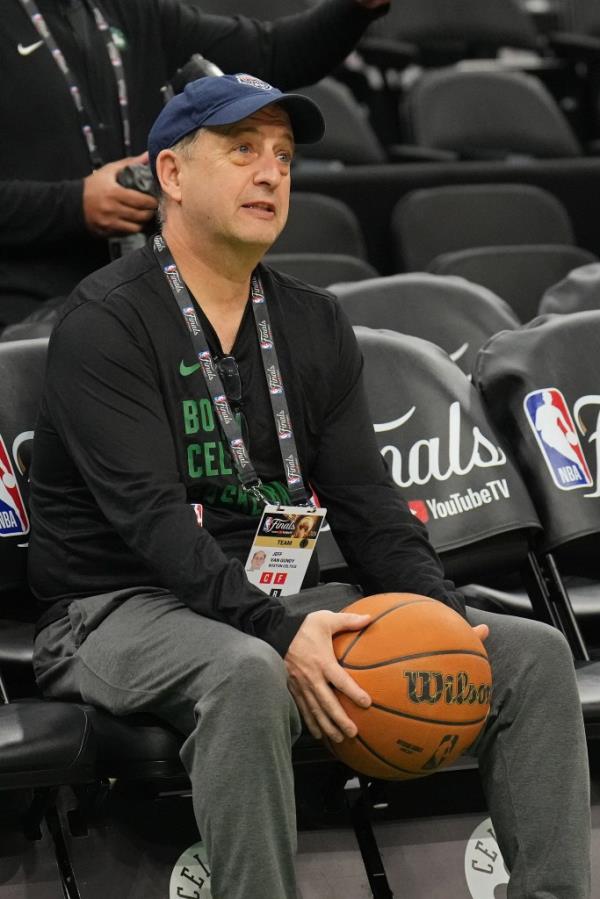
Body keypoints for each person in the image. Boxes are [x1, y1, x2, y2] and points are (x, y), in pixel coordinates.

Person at [30, 75, 591, 899]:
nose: (271, 172)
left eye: (284, 156)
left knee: (529, 655)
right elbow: (154, 524)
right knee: (244, 672)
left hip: (277, 600)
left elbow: (370, 509)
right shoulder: (103, 325)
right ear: (172, 176)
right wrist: (276, 630)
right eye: (243, 149)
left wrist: (443, 615)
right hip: (119, 606)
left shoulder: (312, 321)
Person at [0, 0, 389, 331]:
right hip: (26, 305)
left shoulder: (130, 10)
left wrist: (355, 7)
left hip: (144, 290)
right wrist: (74, 204)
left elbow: (272, 53)